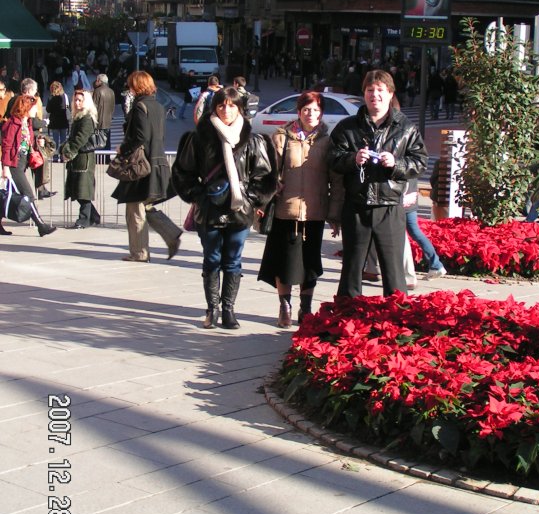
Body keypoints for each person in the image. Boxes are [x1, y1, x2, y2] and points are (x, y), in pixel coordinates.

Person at [172, 86, 276, 330]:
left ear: (239, 108)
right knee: (212, 259)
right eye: (221, 105)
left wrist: (250, 198)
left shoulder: (252, 140)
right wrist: (200, 195)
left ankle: (229, 309)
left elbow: (266, 176)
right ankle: (212, 309)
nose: (226, 110)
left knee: (233, 261)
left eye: (231, 105)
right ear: (214, 108)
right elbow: (182, 173)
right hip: (210, 210)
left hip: (240, 211)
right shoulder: (198, 138)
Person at [328, 69, 428, 297]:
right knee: (352, 268)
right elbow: (332, 159)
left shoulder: (406, 127)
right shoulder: (348, 127)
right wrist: (352, 159)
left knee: (393, 272)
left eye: (381, 90)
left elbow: (419, 162)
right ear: (364, 94)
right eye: (370, 90)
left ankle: (395, 320)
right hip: (357, 205)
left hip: (389, 205)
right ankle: (346, 317)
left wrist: (397, 163)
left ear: (391, 94)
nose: (375, 95)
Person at [257, 91, 342, 328]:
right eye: (306, 109)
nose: (310, 114)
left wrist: (334, 214)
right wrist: (272, 184)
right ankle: (285, 306)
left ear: (321, 113)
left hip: (314, 212)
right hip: (286, 211)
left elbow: (336, 181)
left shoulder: (328, 141)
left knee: (310, 265)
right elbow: (266, 171)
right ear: (298, 112)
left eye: (315, 110)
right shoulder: (282, 137)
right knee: (284, 264)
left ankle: (306, 308)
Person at [111, 71, 182, 262]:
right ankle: (171, 234)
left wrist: (123, 148)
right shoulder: (158, 106)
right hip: (157, 162)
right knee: (145, 205)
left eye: (131, 85)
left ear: (137, 86)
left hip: (141, 166)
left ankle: (140, 252)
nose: (129, 89)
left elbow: (140, 137)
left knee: (134, 210)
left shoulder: (140, 107)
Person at [1, 94, 57, 236]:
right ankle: (41, 225)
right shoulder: (13, 123)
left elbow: (27, 142)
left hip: (23, 162)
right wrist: (5, 167)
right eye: (33, 107)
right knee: (28, 195)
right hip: (14, 165)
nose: (36, 111)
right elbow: (6, 146)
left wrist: (38, 142)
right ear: (26, 107)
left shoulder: (28, 123)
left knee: (8, 195)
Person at [61, 89, 100, 229]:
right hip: (77, 159)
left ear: (86, 102)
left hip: (84, 159)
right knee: (78, 190)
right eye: (75, 100)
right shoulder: (78, 117)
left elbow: (80, 139)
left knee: (83, 190)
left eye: (80, 100)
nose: (77, 103)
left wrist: (68, 151)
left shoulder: (87, 118)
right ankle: (93, 216)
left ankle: (83, 220)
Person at [404, 176, 446, 278]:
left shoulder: (399, 160)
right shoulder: (413, 162)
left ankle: (407, 274)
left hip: (401, 200)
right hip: (411, 200)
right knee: (416, 232)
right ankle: (436, 265)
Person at [46, 81, 70, 161]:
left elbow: (48, 110)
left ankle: (55, 157)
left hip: (54, 122)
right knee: (63, 140)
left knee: (55, 140)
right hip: (63, 121)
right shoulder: (64, 96)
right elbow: (68, 107)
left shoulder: (50, 98)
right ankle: (63, 157)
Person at [92, 73, 116, 152]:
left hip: (99, 121)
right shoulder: (111, 91)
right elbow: (113, 107)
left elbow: (93, 107)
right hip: (108, 121)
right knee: (107, 141)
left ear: (99, 81)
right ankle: (107, 159)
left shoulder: (97, 91)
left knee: (99, 142)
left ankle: (100, 160)